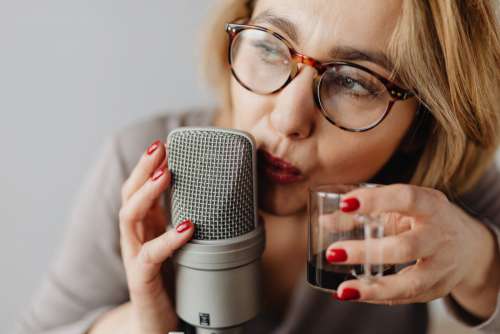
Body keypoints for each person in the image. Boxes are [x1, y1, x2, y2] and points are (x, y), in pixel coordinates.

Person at [15, 0, 500, 333]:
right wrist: (144, 324)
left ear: (426, 122)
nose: (287, 118)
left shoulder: (443, 191)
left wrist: (479, 261)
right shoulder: (146, 162)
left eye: (354, 82)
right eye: (269, 47)